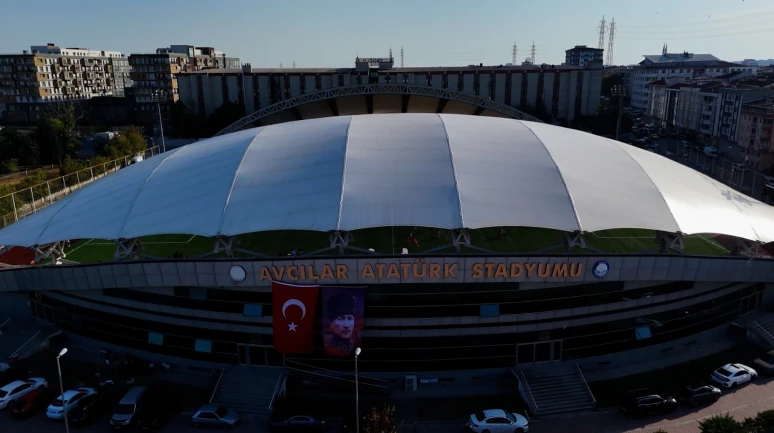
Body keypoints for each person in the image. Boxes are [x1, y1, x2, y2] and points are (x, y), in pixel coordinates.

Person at [324, 292, 358, 356]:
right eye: (340, 319)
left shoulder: (355, 347)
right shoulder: (330, 347)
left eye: (350, 318)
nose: (346, 325)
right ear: (331, 324)